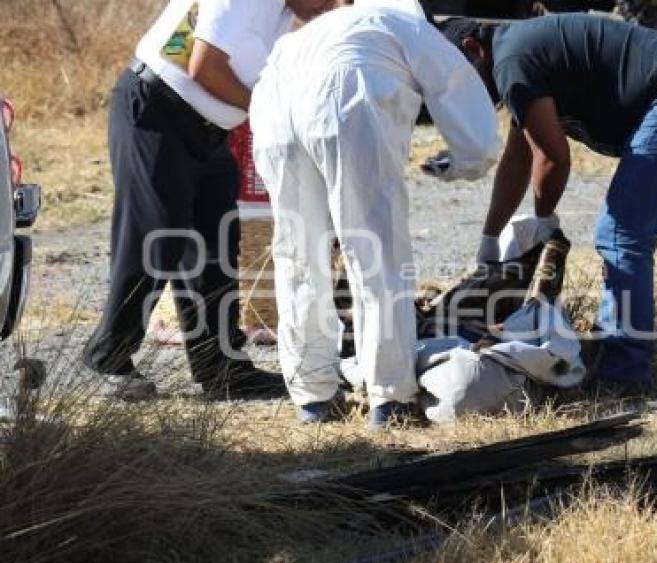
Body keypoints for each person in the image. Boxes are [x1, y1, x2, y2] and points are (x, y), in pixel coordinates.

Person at [440, 14, 657, 395]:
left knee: (621, 232)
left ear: (473, 51)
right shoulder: (511, 57)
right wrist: (489, 238)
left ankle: (623, 374)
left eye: (458, 80)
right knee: (621, 231)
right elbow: (518, 158)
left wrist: (544, 221)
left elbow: (553, 157)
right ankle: (612, 351)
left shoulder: (511, 62)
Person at [250, 4, 501, 428]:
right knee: (374, 251)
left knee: (298, 256)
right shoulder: (407, 24)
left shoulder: (311, 32)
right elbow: (460, 100)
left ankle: (312, 397)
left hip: (274, 114)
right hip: (343, 98)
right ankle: (390, 396)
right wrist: (466, 162)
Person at [83, 0, 338, 401]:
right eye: (328, 0)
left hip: (208, 130)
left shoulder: (287, 16)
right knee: (157, 236)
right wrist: (268, 112)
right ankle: (107, 357)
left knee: (214, 247)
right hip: (157, 110)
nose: (329, 8)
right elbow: (204, 65)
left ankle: (221, 369)